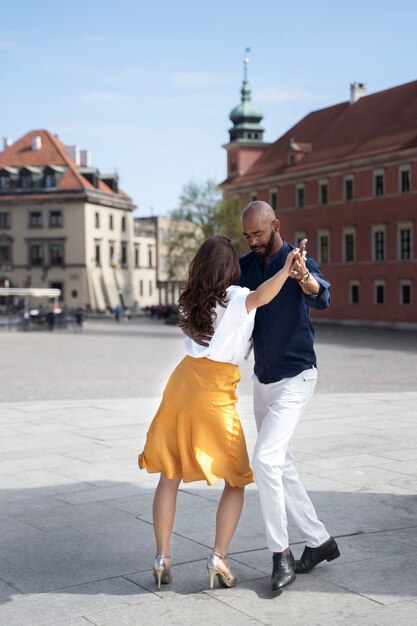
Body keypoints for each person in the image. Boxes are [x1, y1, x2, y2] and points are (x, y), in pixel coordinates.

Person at [138, 235, 298, 591]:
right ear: (229, 269)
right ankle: (219, 557)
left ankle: (162, 556)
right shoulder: (238, 297)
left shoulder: (187, 303)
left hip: (179, 386)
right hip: (214, 393)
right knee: (237, 478)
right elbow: (264, 295)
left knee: (169, 473)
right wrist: (287, 268)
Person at [240, 201, 340, 592]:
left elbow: (322, 295)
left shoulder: (297, 260)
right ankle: (319, 542)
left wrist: (302, 278)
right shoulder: (247, 265)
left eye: (258, 234)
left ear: (275, 226)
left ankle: (280, 555)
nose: (252, 241)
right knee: (281, 465)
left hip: (297, 377)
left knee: (264, 460)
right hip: (262, 380)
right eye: (247, 235)